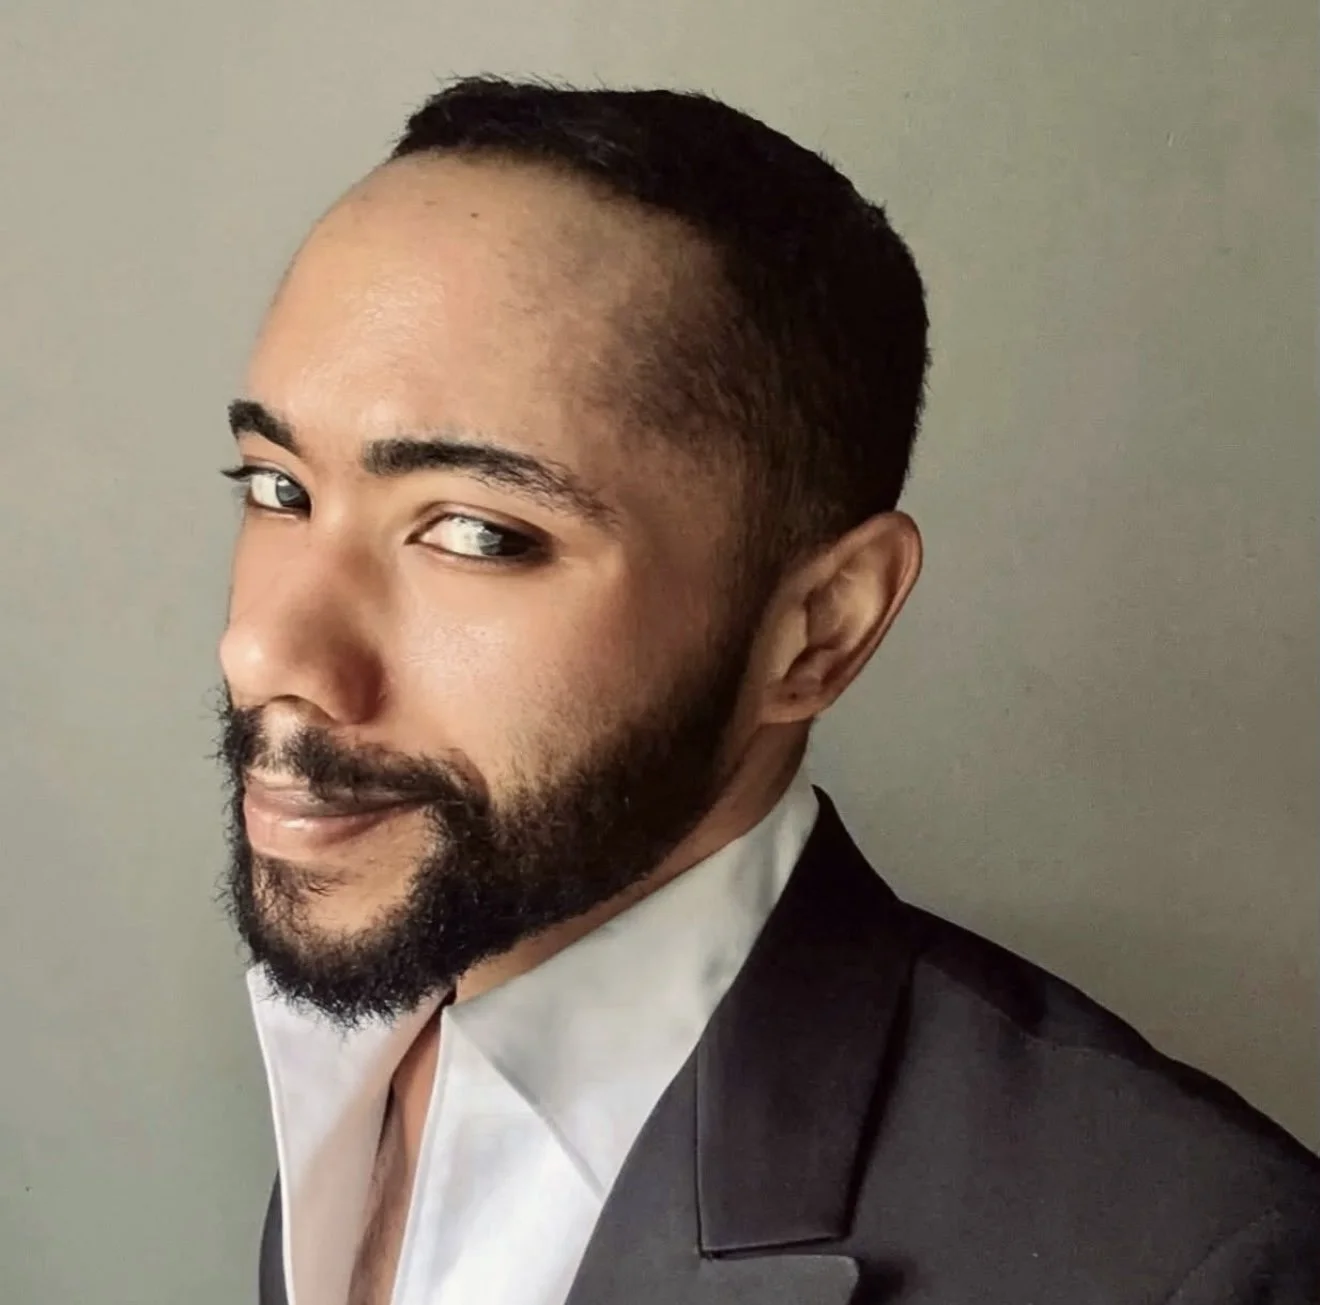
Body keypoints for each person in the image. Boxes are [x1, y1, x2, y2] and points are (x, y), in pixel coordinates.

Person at [215, 76, 1318, 1305]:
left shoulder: (1196, 1263)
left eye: (477, 534)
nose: (262, 653)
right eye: (278, 487)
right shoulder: (386, 1002)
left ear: (820, 629)